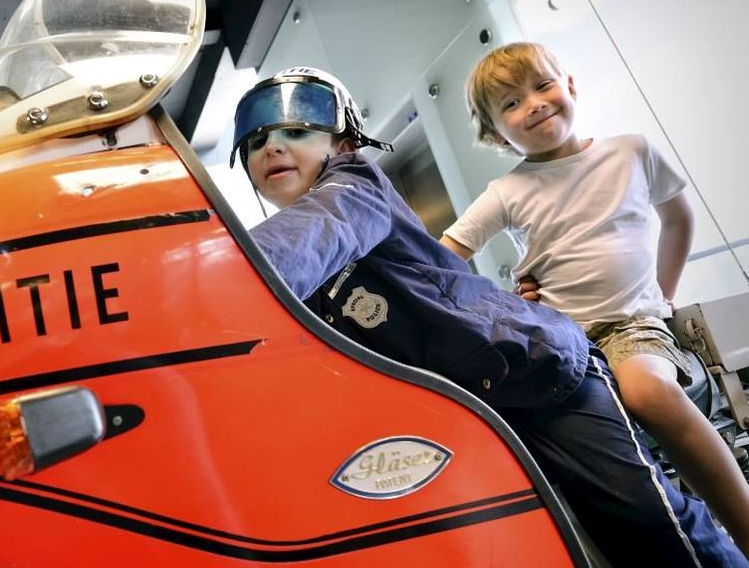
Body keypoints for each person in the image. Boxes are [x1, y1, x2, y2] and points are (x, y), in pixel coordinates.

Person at [231, 66, 746, 567]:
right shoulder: (303, 275)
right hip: (469, 421)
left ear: (343, 145)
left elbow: (308, 239)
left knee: (648, 523)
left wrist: (215, 284)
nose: (272, 147)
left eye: (296, 132)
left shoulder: (353, 187)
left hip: (540, 376)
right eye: (255, 144)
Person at [439, 41, 749, 557]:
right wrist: (505, 305)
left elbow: (678, 219)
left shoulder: (630, 150)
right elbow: (443, 257)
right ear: (496, 133)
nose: (534, 103)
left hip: (631, 326)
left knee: (648, 393)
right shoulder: (506, 191)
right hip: (561, 342)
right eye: (512, 103)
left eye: (543, 86)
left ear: (571, 86)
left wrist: (662, 298)